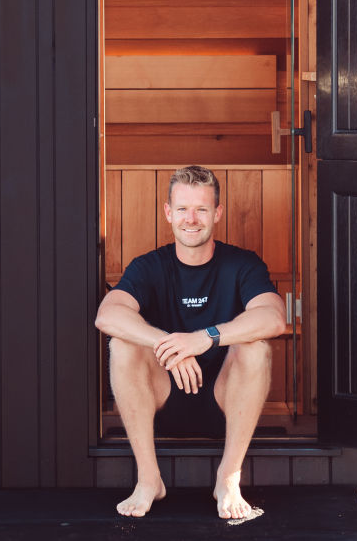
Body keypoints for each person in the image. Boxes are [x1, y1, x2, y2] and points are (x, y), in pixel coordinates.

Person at [95, 165, 286, 520]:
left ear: (217, 213)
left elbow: (273, 317)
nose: (191, 219)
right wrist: (169, 344)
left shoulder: (241, 264)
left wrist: (205, 338)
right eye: (182, 209)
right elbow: (107, 315)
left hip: (227, 403)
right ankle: (149, 479)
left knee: (255, 345)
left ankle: (228, 479)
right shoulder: (149, 266)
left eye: (201, 209)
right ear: (168, 213)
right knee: (122, 344)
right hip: (160, 402)